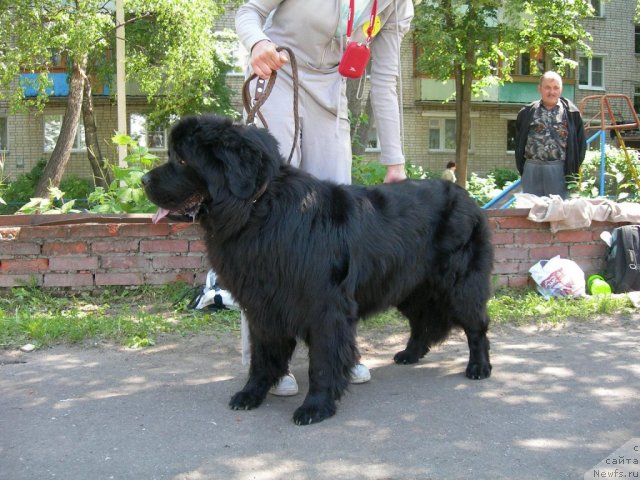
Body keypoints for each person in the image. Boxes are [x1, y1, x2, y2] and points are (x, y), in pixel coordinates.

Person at [235, 0, 414, 396]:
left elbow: (386, 79)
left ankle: (337, 352)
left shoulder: (397, 5)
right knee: (268, 223)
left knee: (338, 230)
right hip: (279, 78)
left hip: (331, 92)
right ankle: (266, 360)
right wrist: (256, 43)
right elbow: (247, 11)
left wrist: (395, 161)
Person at [515, 71, 586, 199]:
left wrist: (571, 169)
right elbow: (519, 142)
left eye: (556, 88)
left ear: (561, 90)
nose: (551, 92)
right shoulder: (526, 112)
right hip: (531, 169)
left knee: (557, 213)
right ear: (540, 89)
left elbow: (581, 146)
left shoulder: (571, 113)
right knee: (531, 212)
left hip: (559, 171)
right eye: (547, 87)